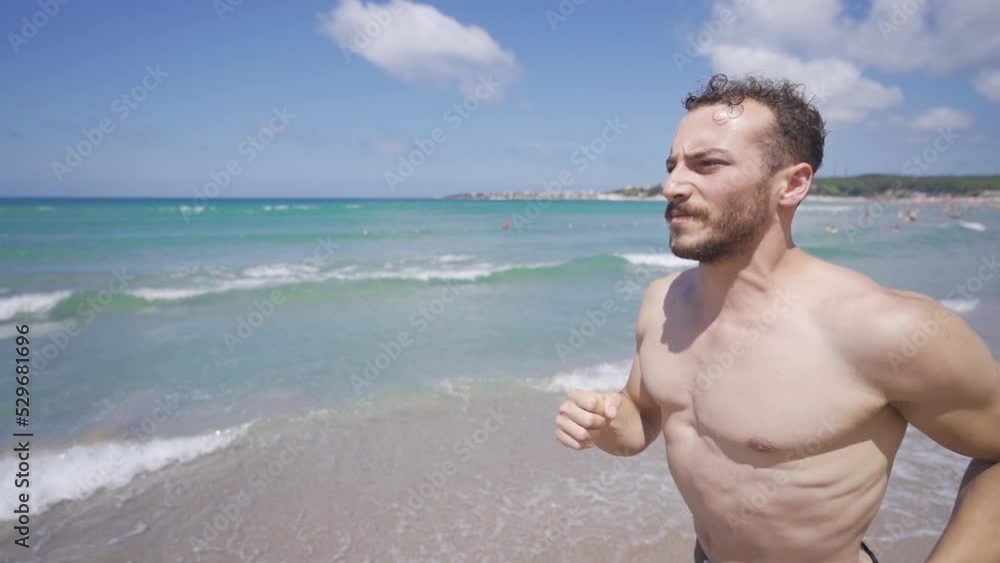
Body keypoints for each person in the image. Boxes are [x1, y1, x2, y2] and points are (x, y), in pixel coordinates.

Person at [554, 74, 1000, 563]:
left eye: (708, 165)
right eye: (673, 165)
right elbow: (641, 420)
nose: (672, 185)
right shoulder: (662, 303)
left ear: (792, 184)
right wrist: (607, 425)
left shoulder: (885, 329)